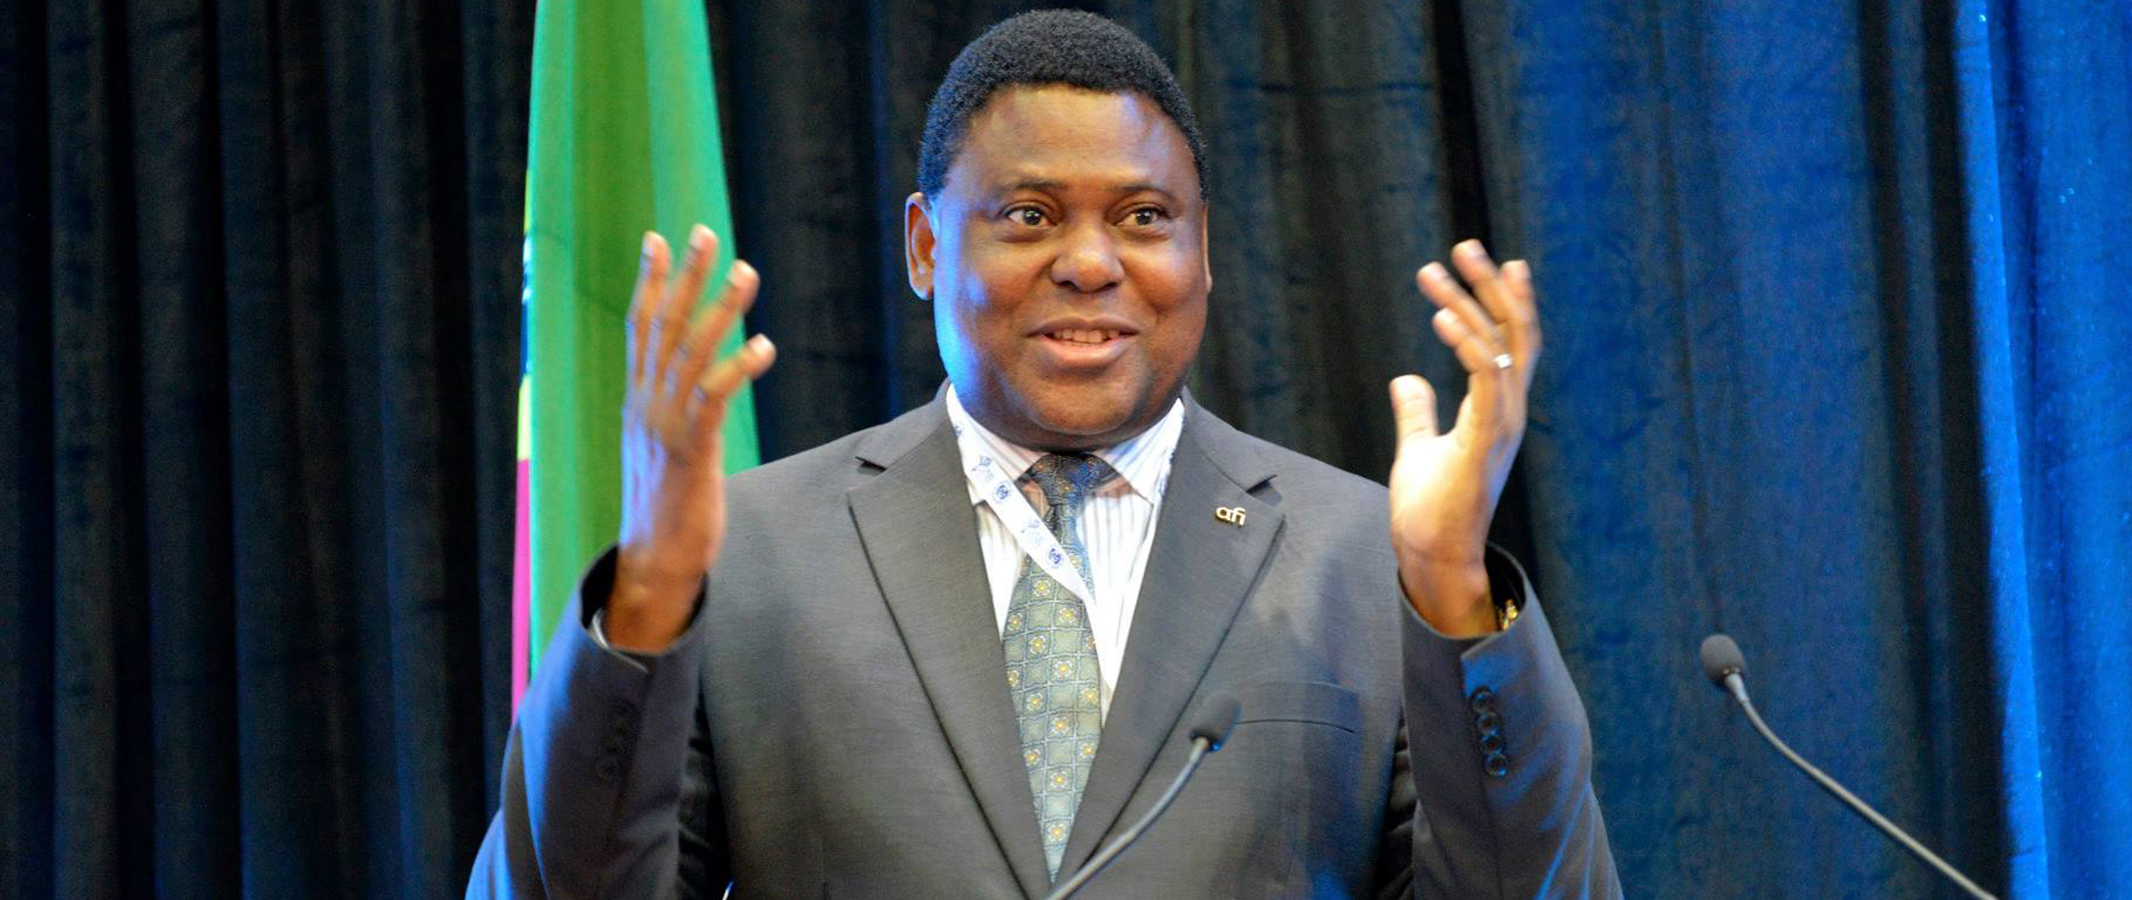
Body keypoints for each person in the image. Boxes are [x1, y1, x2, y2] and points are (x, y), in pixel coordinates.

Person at [469, 10, 1618, 898]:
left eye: (1143, 218)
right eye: (1028, 214)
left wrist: (1452, 593)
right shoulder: (751, 551)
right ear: (925, 246)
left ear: (1204, 250)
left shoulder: (1368, 558)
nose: (1090, 263)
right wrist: (650, 599)